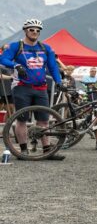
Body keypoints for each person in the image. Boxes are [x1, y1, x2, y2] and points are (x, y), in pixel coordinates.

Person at [0, 19, 65, 160]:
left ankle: (47, 150)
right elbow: (3, 59)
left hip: (41, 88)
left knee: (44, 121)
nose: (35, 32)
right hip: (21, 87)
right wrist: (16, 66)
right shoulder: (16, 46)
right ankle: (23, 151)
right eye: (31, 29)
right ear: (25, 31)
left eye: (37, 30)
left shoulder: (45, 48)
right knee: (22, 120)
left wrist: (59, 81)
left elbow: (53, 66)